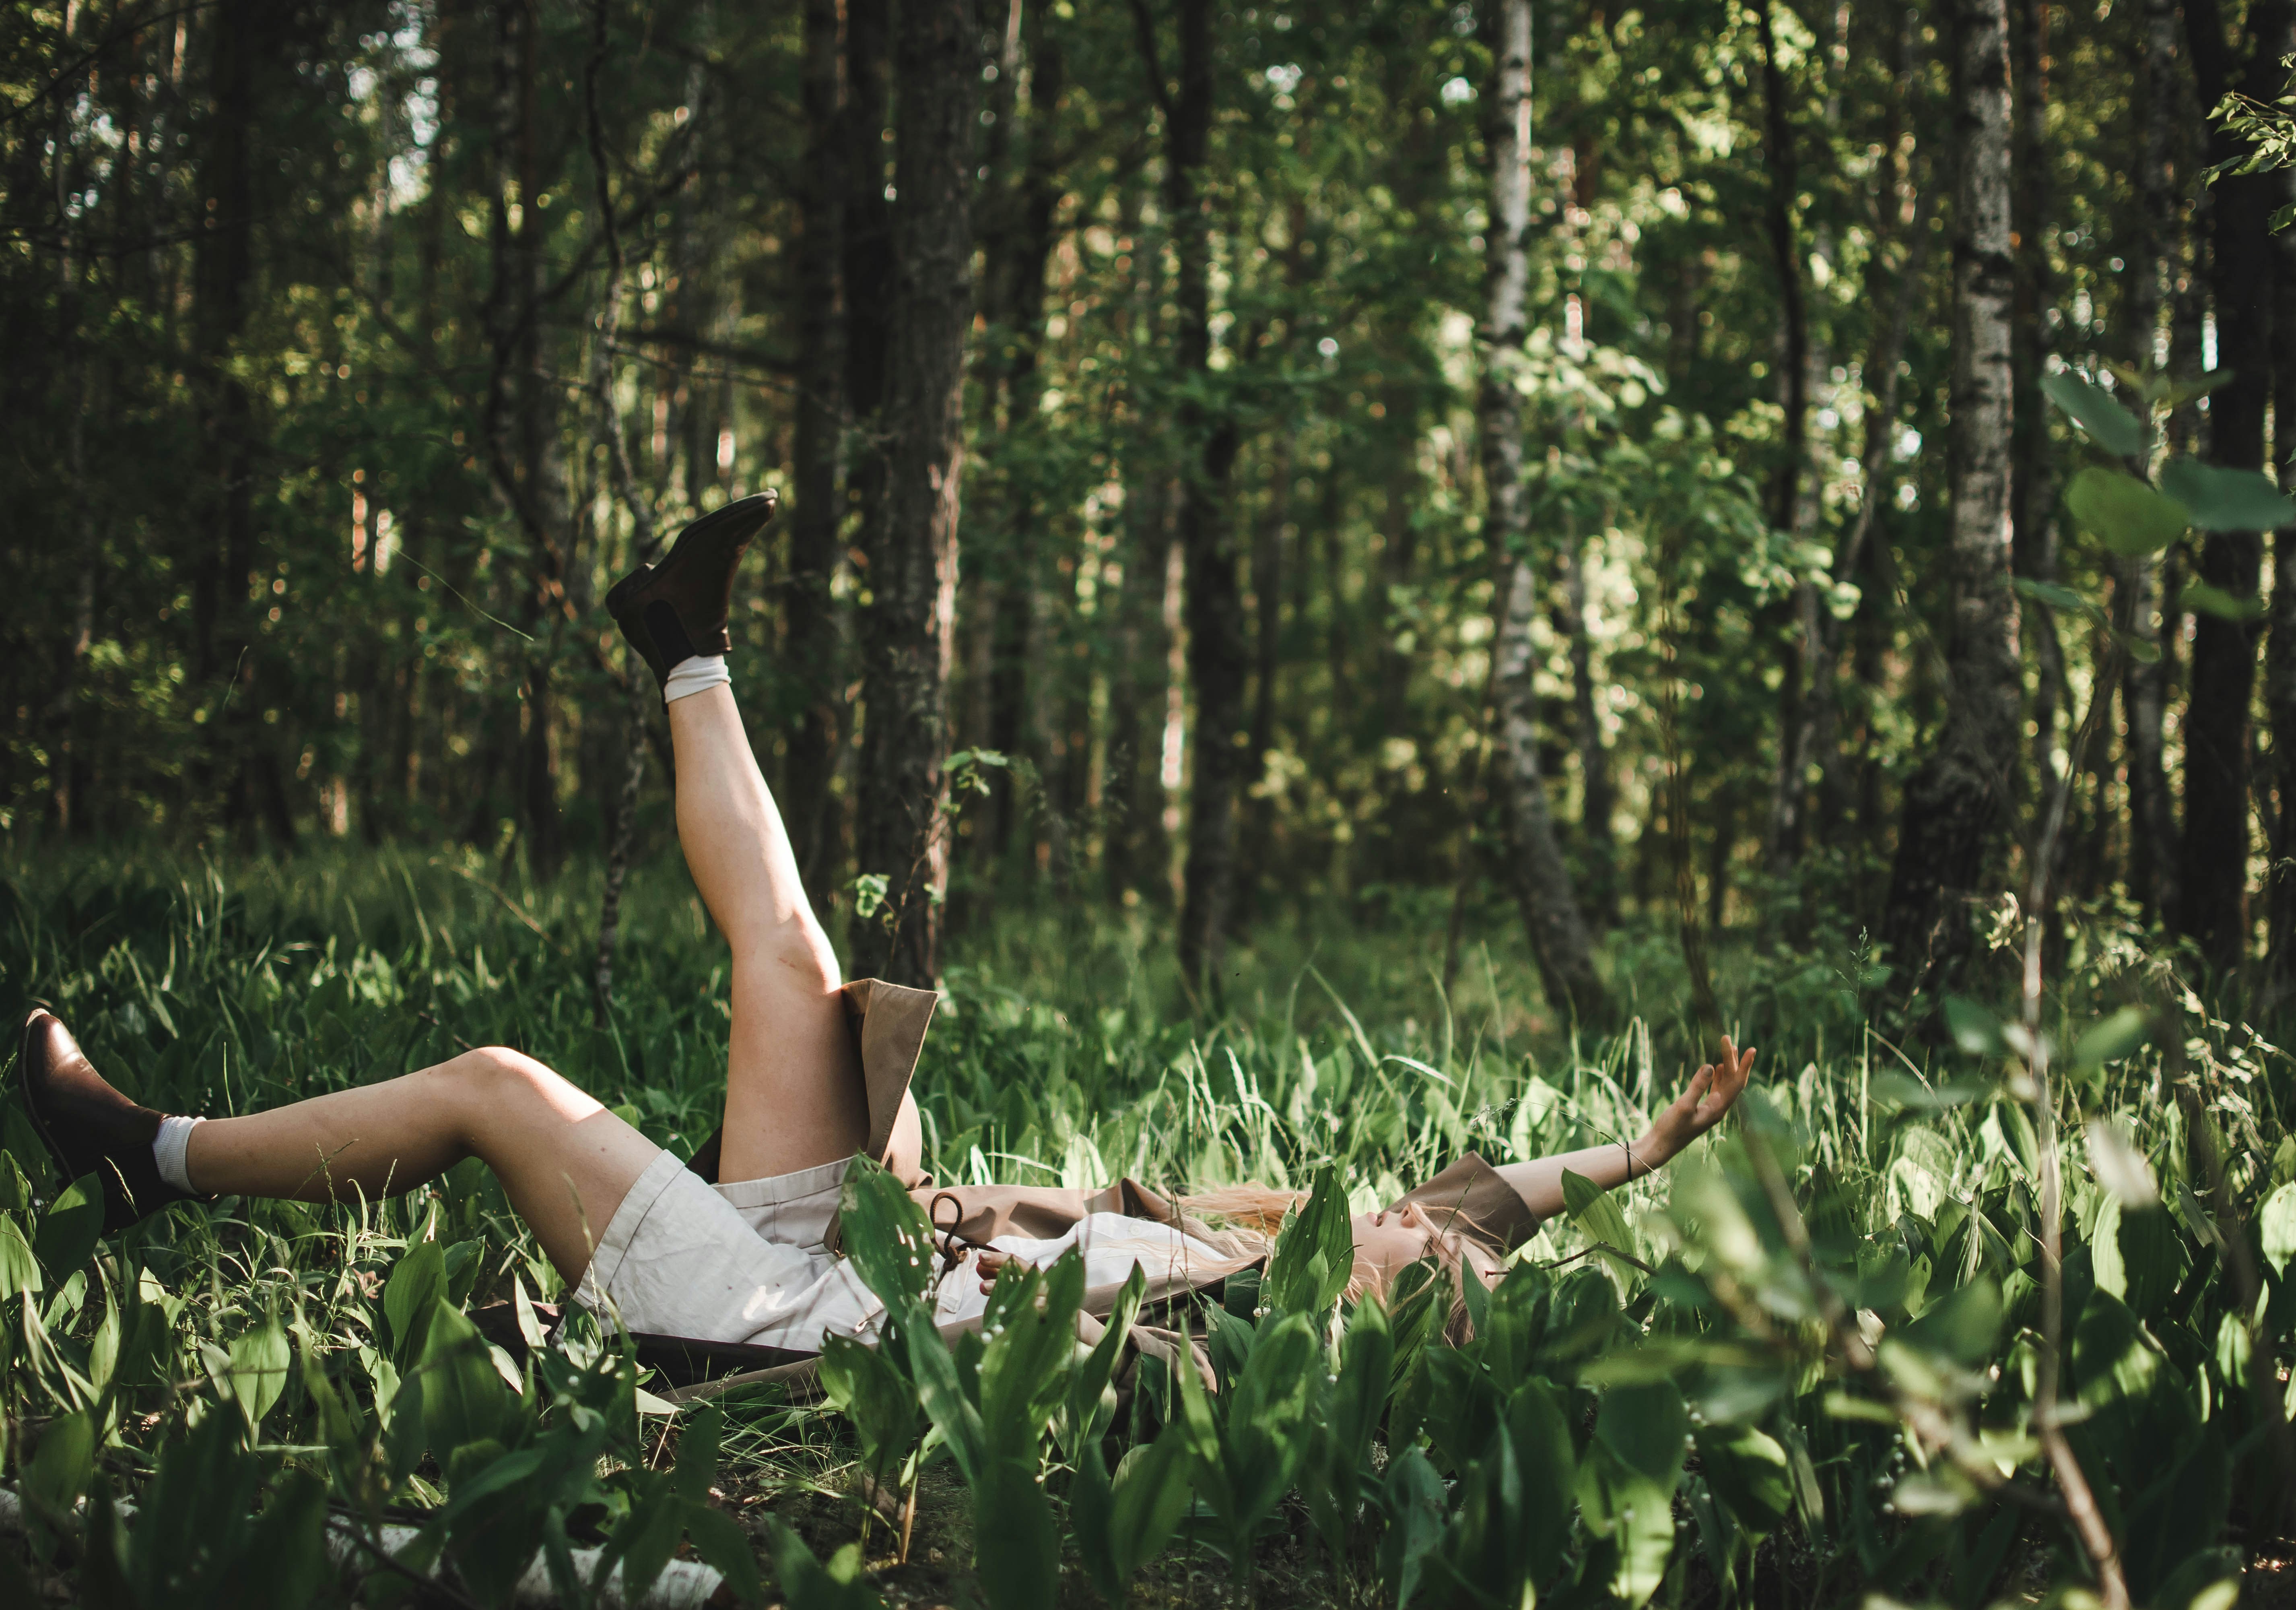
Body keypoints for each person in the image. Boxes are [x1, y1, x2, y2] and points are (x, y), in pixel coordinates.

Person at [13, 493, 1754, 1364]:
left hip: (787, 1338)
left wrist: (966, 1270)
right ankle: (683, 646)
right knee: (796, 967)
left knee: (496, 1081)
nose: (1407, 1240)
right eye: (1416, 1245)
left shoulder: (1223, 1362)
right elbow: (1486, 1196)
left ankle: (144, 1154)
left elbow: (999, 1384)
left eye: (1419, 1272)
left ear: (1385, 1325)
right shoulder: (1299, 1246)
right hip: (845, 1259)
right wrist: (1647, 1148)